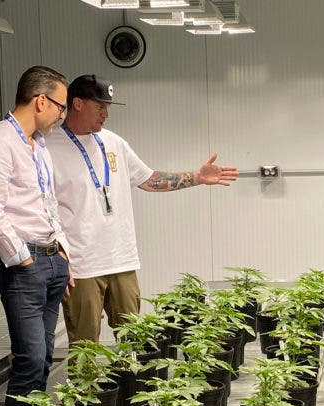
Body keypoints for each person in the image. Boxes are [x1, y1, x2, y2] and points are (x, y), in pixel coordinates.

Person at [45, 74, 238, 345]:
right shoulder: (48, 148)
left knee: (136, 339)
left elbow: (148, 180)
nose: (106, 113)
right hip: (82, 265)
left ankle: (131, 388)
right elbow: (43, 209)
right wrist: (58, 260)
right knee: (85, 345)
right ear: (77, 103)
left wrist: (196, 177)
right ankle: (83, 389)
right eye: (100, 106)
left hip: (121, 259)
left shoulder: (113, 142)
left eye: (108, 107)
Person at [0, 65, 72, 406]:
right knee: (29, 358)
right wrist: (22, 259)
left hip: (50, 259)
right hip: (24, 264)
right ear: (40, 101)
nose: (62, 115)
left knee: (44, 356)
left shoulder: (38, 144)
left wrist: (61, 253)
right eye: (61, 107)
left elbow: (48, 201)